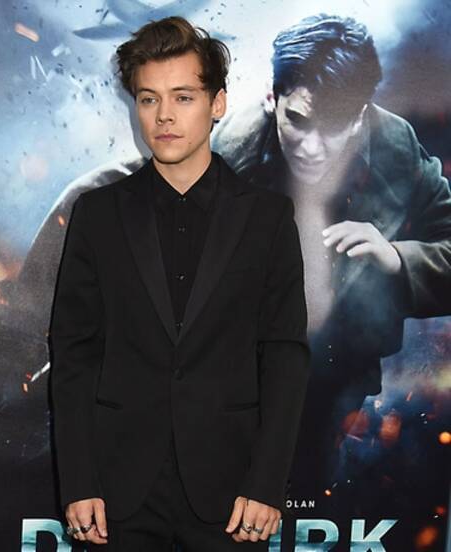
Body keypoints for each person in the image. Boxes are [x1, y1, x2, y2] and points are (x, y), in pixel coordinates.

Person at [48, 16, 311, 550]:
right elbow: (74, 354)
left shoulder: (267, 217)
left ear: (217, 104)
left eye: (183, 97)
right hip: (114, 494)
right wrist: (78, 481)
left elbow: (284, 354)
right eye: (149, 99)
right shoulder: (98, 214)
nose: (164, 115)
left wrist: (266, 484)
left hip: (233, 494)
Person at [212, 14, 451, 507]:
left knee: (315, 496)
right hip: (238, 376)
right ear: (271, 99)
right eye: (298, 121)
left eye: (335, 125)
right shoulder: (225, 159)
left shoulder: (395, 146)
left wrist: (397, 259)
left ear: (360, 116)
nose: (312, 147)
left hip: (341, 372)